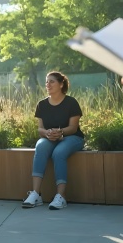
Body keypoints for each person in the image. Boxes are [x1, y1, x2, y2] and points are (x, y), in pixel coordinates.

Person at [22, 71, 84, 210]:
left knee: (59, 152)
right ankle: (36, 194)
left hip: (72, 137)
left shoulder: (71, 102)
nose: (48, 84)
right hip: (49, 137)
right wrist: (48, 133)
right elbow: (40, 129)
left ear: (61, 84)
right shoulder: (42, 104)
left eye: (52, 81)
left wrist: (60, 132)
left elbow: (73, 128)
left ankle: (61, 197)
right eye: (46, 82)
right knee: (41, 147)